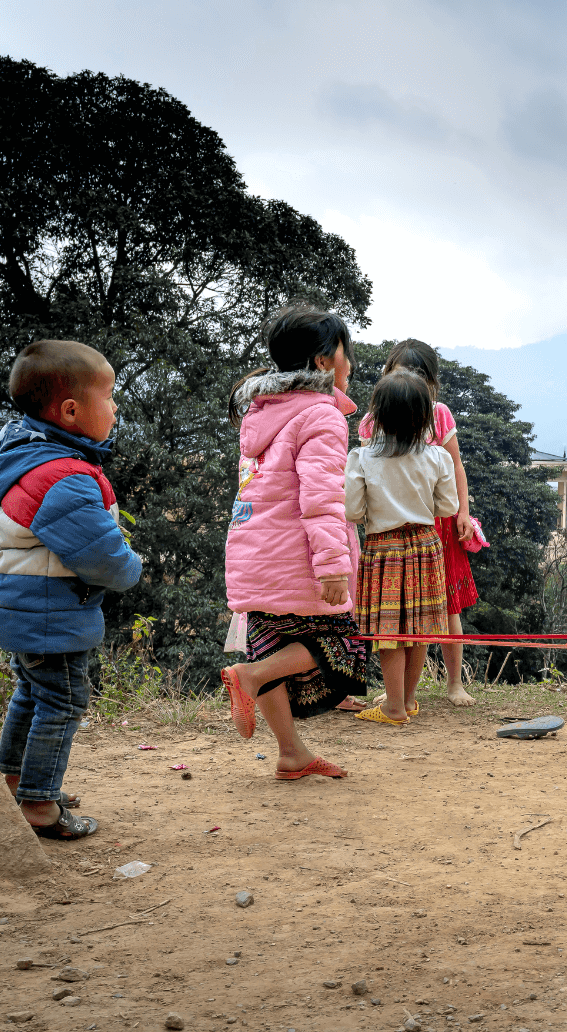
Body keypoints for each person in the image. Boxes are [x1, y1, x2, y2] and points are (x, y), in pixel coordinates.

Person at [0, 340, 142, 839]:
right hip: (48, 613)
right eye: (109, 396)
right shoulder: (63, 478)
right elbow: (102, 557)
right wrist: (131, 566)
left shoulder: (25, 456)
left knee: (32, 693)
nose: (115, 408)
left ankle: (16, 779)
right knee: (63, 702)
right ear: (70, 411)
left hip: (17, 605)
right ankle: (40, 806)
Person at [220, 301, 368, 780]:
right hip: (299, 558)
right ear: (324, 361)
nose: (350, 363)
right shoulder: (322, 416)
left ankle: (291, 753)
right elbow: (322, 496)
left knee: (268, 642)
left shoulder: (261, 413)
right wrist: (332, 565)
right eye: (346, 352)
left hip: (254, 553)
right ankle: (251, 677)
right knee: (342, 642)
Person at [346, 339, 480, 707]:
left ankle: (395, 703)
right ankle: (405, 700)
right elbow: (446, 500)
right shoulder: (435, 455)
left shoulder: (362, 455)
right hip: (425, 542)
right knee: (421, 624)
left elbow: (353, 509)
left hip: (385, 546)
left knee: (390, 626)